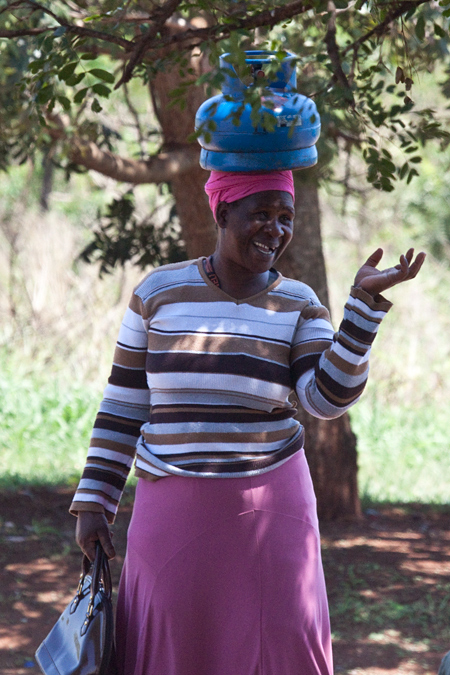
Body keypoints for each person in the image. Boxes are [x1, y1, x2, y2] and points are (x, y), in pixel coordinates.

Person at [71, 169, 425, 675]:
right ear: (221, 213)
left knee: (276, 645)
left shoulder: (298, 302)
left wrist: (363, 309)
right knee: (174, 644)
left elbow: (324, 399)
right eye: (260, 214)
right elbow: (124, 405)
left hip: (271, 506)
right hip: (172, 508)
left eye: (285, 218)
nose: (275, 230)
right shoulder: (159, 293)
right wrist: (95, 502)